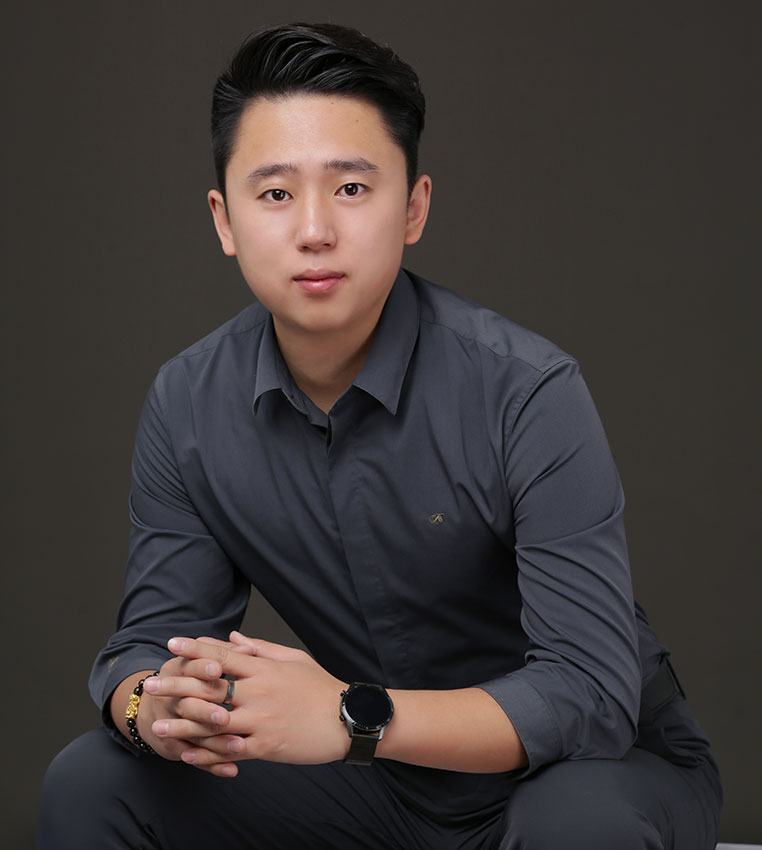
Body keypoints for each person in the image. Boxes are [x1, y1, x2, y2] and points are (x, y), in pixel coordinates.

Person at [38, 22, 722, 849]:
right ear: (224, 220)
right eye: (275, 194)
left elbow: (590, 696)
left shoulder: (527, 391)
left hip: (592, 770)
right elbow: (145, 649)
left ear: (414, 208)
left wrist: (350, 718)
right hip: (379, 782)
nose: (314, 229)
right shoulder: (188, 402)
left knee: (574, 823)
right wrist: (156, 710)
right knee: (95, 780)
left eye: (353, 188)